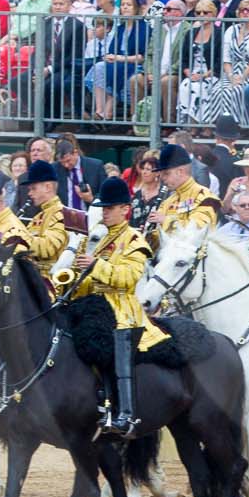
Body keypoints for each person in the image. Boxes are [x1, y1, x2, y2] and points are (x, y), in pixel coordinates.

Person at [64, 176, 167, 438]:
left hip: (121, 310)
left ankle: (127, 414)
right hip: (93, 303)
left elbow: (128, 278)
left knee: (119, 350)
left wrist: (95, 266)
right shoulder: (99, 237)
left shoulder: (134, 240)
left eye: (110, 208)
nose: (105, 212)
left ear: (125, 209)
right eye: (103, 208)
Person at [147, 142, 220, 248]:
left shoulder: (206, 198)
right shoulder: (167, 201)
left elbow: (198, 231)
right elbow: (159, 242)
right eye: (161, 174)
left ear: (180, 171)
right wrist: (150, 236)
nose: (162, 178)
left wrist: (165, 221)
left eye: (166, 173)